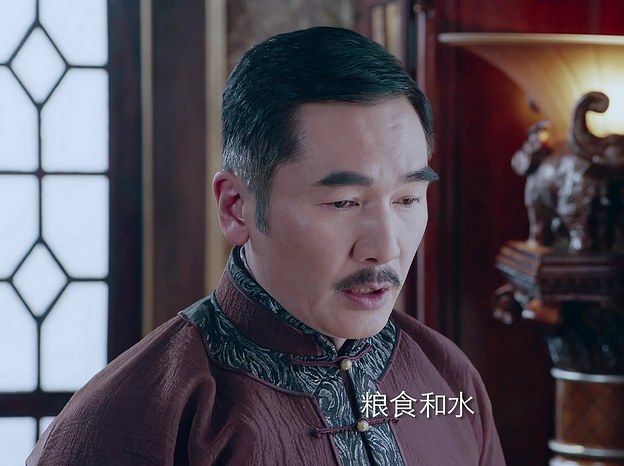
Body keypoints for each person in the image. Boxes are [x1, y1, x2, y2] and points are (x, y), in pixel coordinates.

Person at [28, 26, 505, 465]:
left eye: (408, 199)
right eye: (343, 202)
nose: (385, 249)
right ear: (237, 207)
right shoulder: (133, 419)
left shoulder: (447, 378)